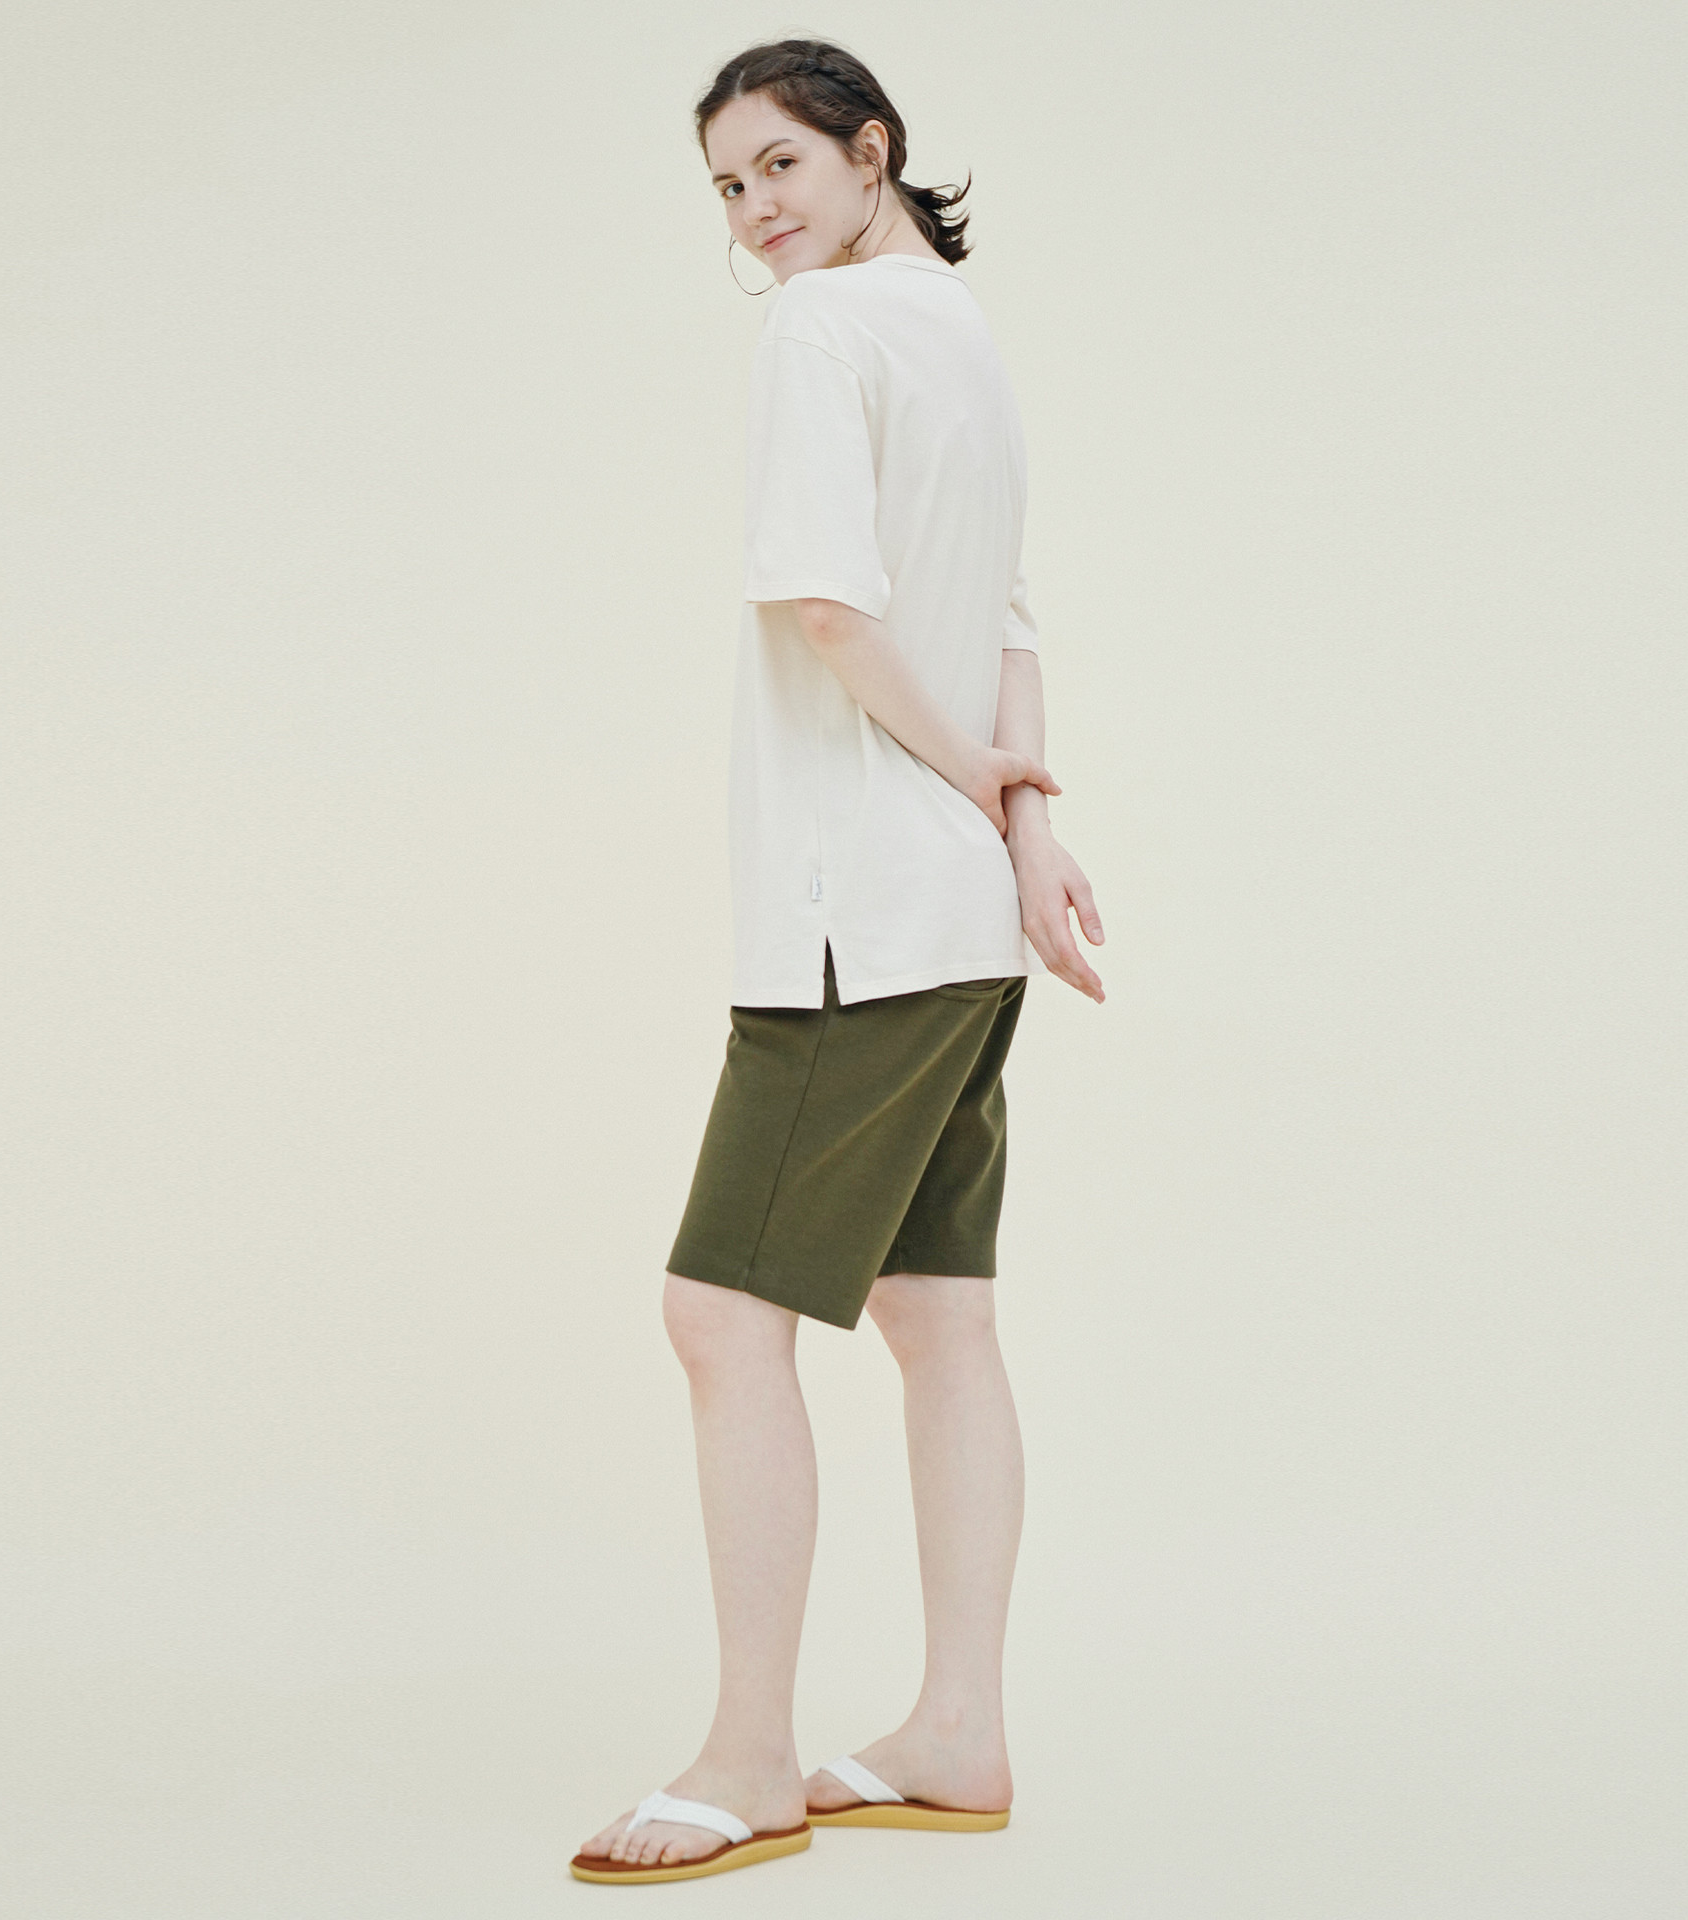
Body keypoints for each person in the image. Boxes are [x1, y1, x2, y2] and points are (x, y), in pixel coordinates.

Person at [570, 38, 1105, 1886]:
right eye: (728, 188)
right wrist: (1019, 829)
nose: (755, 211)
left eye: (781, 165)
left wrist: (979, 790)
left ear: (874, 151)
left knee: (722, 1318)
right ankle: (959, 1731)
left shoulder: (822, 334)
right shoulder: (967, 337)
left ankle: (748, 1756)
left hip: (852, 915)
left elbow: (826, 607)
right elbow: (1012, 627)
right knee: (939, 1318)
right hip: (957, 916)